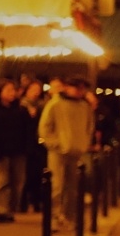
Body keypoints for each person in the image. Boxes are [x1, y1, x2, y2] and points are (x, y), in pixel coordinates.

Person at [38, 77, 95, 222]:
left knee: (73, 187)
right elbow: (45, 128)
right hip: (58, 151)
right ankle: (54, 216)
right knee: (57, 185)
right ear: (66, 87)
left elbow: (89, 127)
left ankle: (70, 216)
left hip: (77, 151)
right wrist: (55, 143)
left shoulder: (84, 106)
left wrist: (84, 143)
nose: (79, 91)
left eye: (82, 88)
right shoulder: (55, 104)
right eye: (76, 87)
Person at [0, 79, 34, 223]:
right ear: (0, 92)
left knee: (18, 182)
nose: (12, 93)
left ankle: (11, 209)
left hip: (19, 151)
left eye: (13, 90)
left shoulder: (21, 110)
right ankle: (1, 210)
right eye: (8, 90)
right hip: (1, 152)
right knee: (2, 181)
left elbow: (28, 130)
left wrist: (28, 148)